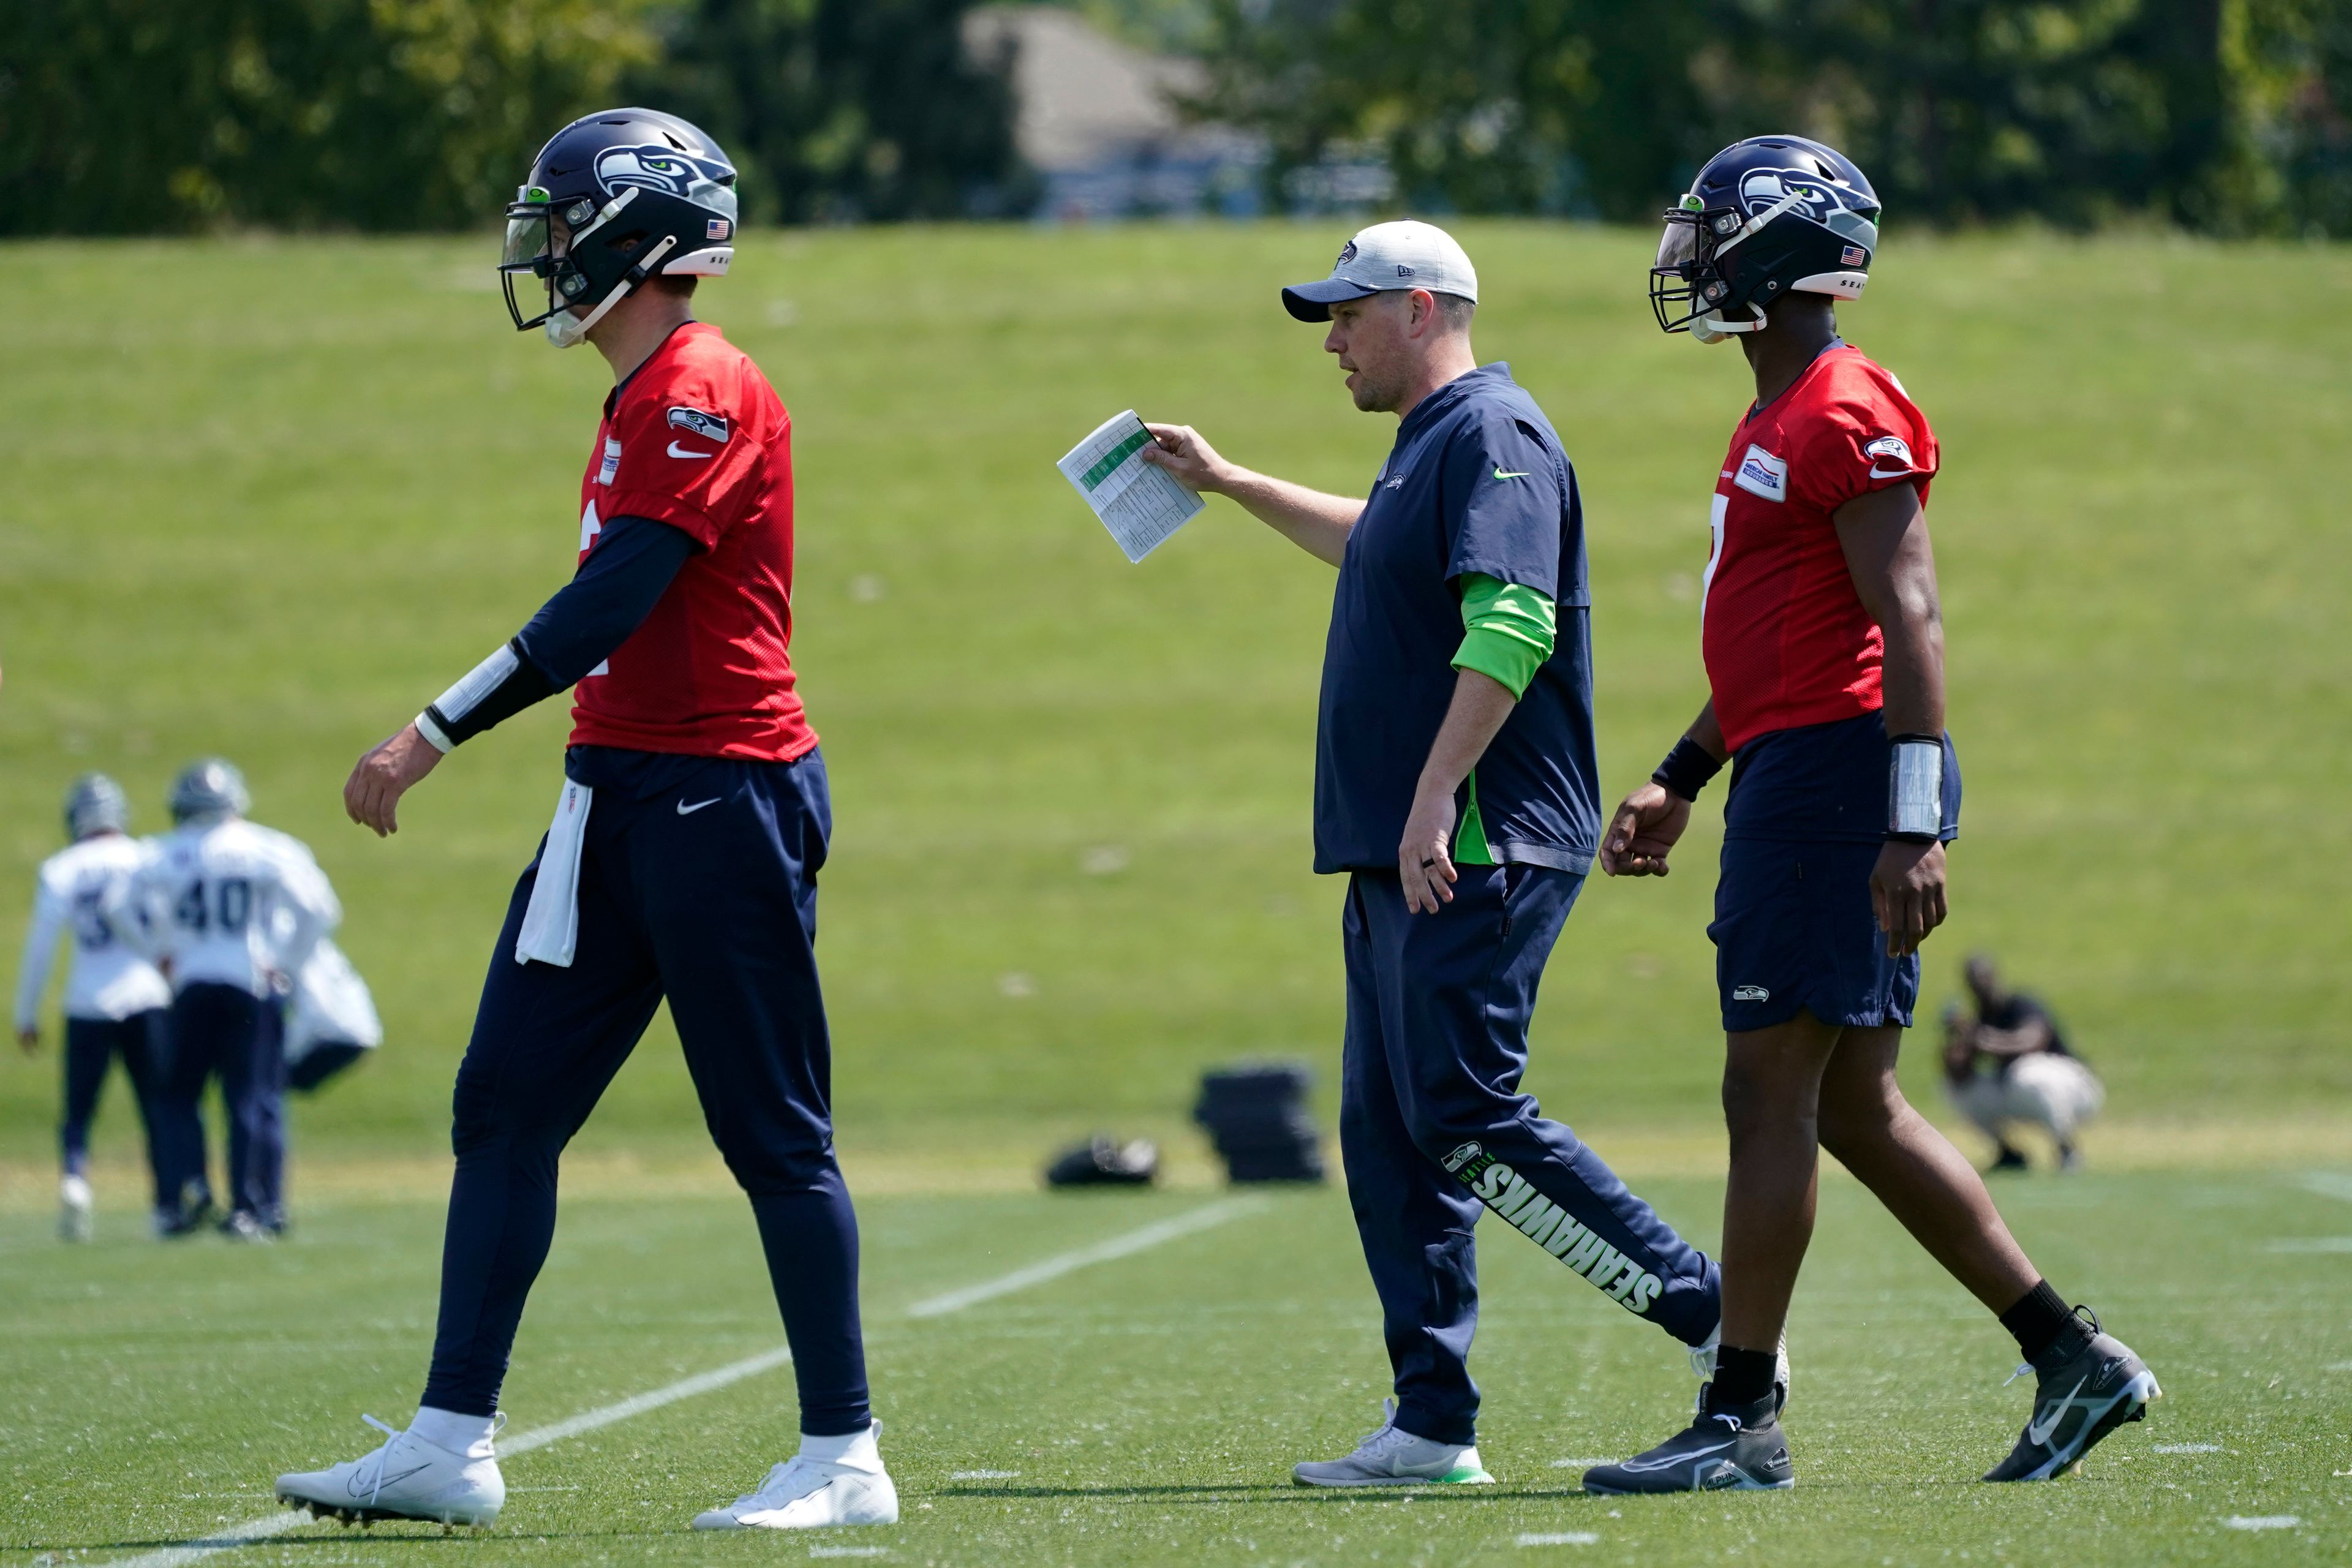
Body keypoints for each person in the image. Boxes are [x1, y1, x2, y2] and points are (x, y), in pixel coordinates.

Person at [274, 108, 894, 1534]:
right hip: (614, 789)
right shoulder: (638, 390)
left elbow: (612, 600)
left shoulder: (702, 383)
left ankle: (844, 1453)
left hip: (720, 792)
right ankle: (448, 1438)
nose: (545, 248)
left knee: (771, 1131)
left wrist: (427, 729)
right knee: (503, 1102)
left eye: (562, 221)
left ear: (635, 229)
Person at [1585, 135, 2158, 1494]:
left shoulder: (1843, 403)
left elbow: (1910, 616)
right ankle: (2076, 1360)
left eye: (1714, 230)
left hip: (1843, 782)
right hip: (1803, 767)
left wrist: (1917, 817)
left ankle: (1738, 1416)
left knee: (1766, 1087)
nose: (1691, 255)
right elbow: (1780, 646)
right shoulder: (1776, 416)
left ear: (1783, 249)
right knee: (1854, 1102)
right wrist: (1682, 770)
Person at [1142, 221, 1744, 1490]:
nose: (1332, 341)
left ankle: (1718, 1319)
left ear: (1420, 309)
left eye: (1347, 316)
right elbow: (1374, 541)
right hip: (1406, 850)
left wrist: (1432, 794)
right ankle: (1431, 1421)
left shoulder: (1494, 431)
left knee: (1466, 1110)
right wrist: (1235, 482)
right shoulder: (1431, 447)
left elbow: (1514, 619)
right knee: (1388, 1130)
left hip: (1473, 840)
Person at [121, 758, 341, 1240]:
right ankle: (251, 1206)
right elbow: (320, 907)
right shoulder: (269, 848)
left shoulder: (164, 852)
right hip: (251, 982)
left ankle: (187, 1193)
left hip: (192, 982)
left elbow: (120, 907)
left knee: (179, 1096)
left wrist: (159, 953)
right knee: (251, 1097)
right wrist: (285, 961)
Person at [13, 774, 172, 1241]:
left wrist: (26, 1012)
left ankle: (76, 1179)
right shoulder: (147, 856)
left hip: (87, 999)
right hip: (148, 995)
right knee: (157, 1107)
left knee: (78, 1110)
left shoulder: (63, 867)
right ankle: (166, 1203)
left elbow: (41, 946)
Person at [1942, 956, 2101, 1172]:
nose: (1979, 986)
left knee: (2027, 1072)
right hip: (2018, 1089)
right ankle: (2010, 1154)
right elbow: (1958, 1072)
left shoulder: (2021, 1004)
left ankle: (2066, 1148)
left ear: (1994, 976)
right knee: (1960, 1090)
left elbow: (2031, 1042)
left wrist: (1982, 1038)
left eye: (1983, 978)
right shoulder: (1979, 1019)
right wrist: (1959, 1040)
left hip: (2072, 1085)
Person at [282, 937, 382, 1093]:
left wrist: (282, 1051)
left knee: (261, 1082)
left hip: (335, 1035)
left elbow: (312, 1015)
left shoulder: (298, 955)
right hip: (362, 1029)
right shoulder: (320, 947)